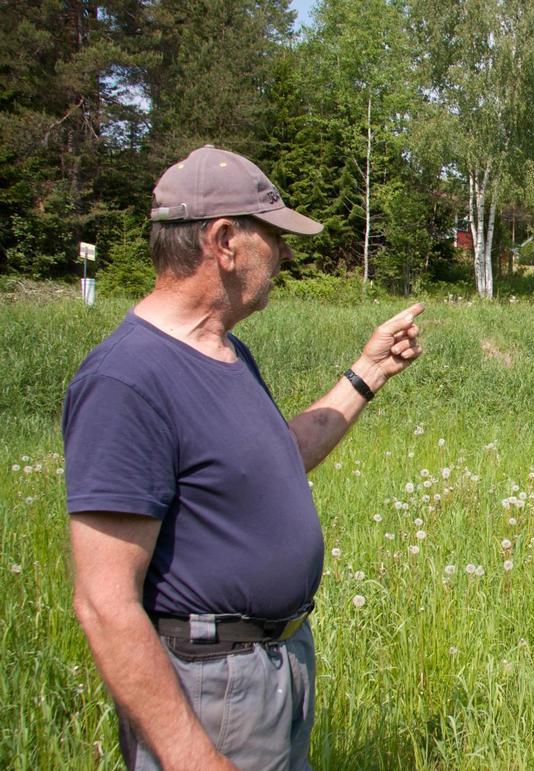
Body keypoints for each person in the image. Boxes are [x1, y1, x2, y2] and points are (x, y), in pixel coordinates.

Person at [62, 145, 423, 770]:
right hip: (209, 687)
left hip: (272, 669)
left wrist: (368, 373)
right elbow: (104, 602)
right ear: (224, 241)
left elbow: (278, 459)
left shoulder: (224, 353)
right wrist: (190, 757)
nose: (283, 254)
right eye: (273, 237)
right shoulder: (126, 381)